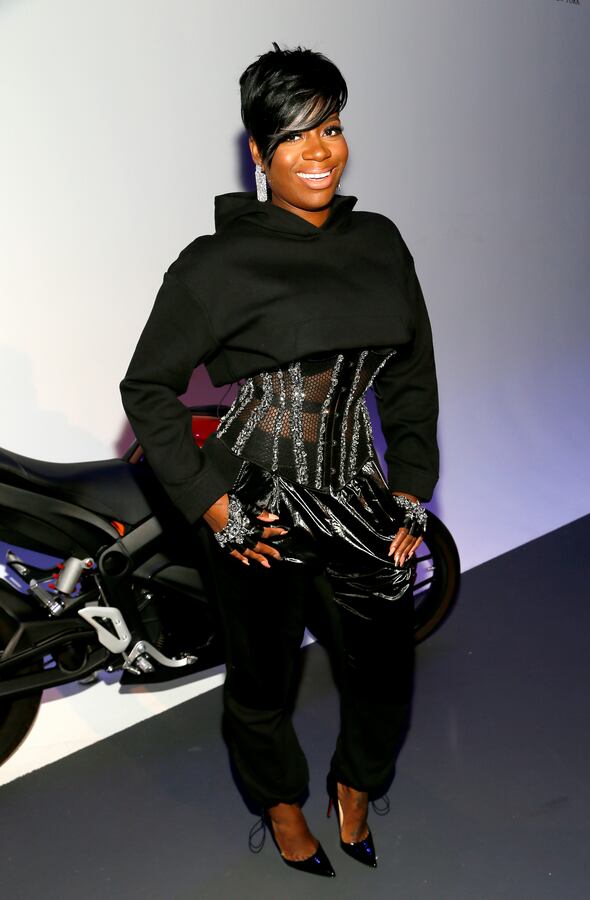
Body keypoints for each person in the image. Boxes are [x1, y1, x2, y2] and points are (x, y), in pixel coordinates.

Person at [119, 42, 439, 878]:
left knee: (385, 677)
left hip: (363, 499)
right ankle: (283, 805)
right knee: (262, 685)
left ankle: (357, 785)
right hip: (256, 506)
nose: (321, 151)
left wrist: (410, 488)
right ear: (259, 155)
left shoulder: (380, 241)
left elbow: (411, 376)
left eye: (330, 127)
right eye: (295, 137)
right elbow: (146, 388)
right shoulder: (215, 264)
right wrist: (213, 506)